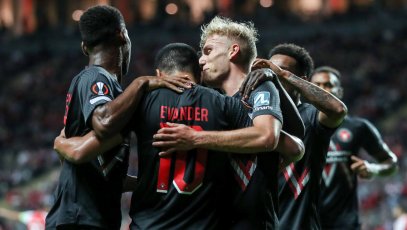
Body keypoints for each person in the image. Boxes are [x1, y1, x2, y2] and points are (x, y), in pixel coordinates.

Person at [54, 42, 304, 229]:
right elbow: (291, 147)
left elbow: (81, 152)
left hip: (148, 225)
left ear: (159, 74)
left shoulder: (141, 105)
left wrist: (61, 143)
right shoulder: (224, 105)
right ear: (198, 72)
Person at [45, 5, 191, 230]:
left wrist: (143, 182)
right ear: (122, 35)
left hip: (93, 217)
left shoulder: (118, 96)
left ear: (85, 47)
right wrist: (140, 82)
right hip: (80, 218)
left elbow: (101, 167)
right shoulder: (96, 77)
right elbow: (103, 123)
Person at [152, 17, 305, 229]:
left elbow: (270, 137)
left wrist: (194, 138)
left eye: (208, 51)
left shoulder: (259, 87)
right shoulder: (214, 100)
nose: (200, 60)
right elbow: (293, 146)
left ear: (233, 51)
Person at [251, 43, 348, 229]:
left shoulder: (311, 116)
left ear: (299, 80)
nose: (269, 75)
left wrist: (282, 74)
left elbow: (337, 110)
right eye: (267, 69)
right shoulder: (257, 116)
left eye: (279, 70)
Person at [310, 66, 398, 230]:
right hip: (305, 223)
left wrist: (373, 168)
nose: (322, 90)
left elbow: (391, 163)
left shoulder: (358, 127)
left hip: (345, 223)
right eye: (317, 85)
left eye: (328, 84)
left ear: (340, 91)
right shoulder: (296, 126)